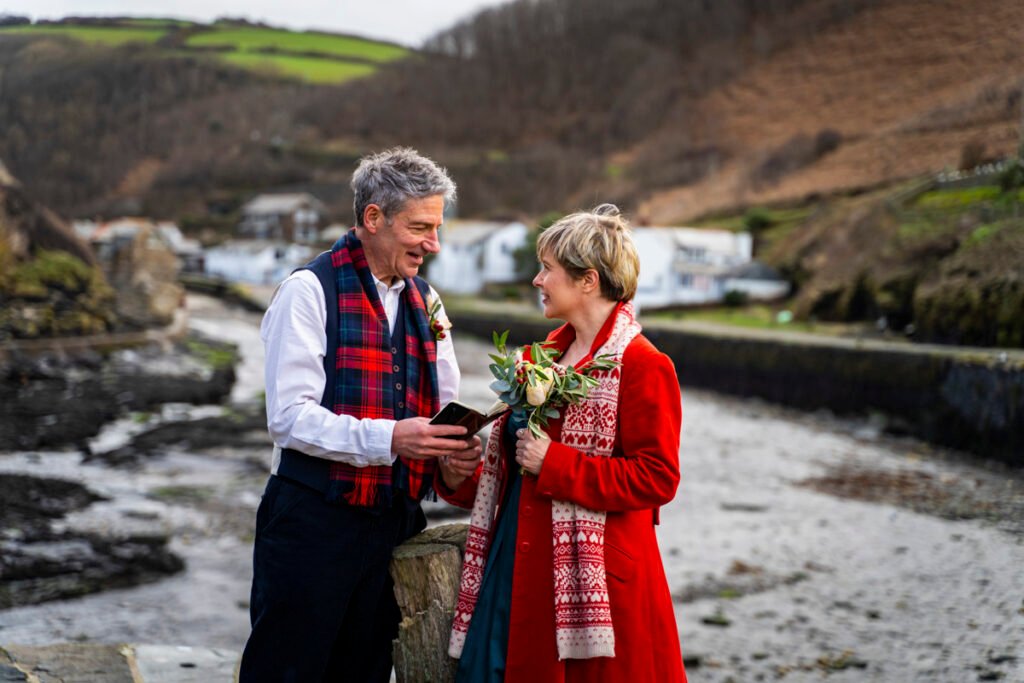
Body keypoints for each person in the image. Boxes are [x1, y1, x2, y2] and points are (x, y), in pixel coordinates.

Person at [239, 147, 483, 683]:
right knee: (286, 673)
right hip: (312, 521)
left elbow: (442, 409)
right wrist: (393, 438)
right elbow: (289, 419)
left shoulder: (429, 301)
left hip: (395, 522)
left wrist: (454, 459)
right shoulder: (308, 292)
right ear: (373, 218)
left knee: (365, 674)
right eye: (420, 227)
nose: (433, 244)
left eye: (437, 228)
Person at [442, 204, 687, 682]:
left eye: (547, 269)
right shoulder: (542, 357)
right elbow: (516, 476)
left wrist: (556, 462)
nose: (537, 281)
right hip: (515, 567)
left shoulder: (645, 365)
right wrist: (458, 478)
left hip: (595, 589)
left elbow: (658, 477)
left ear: (587, 281)